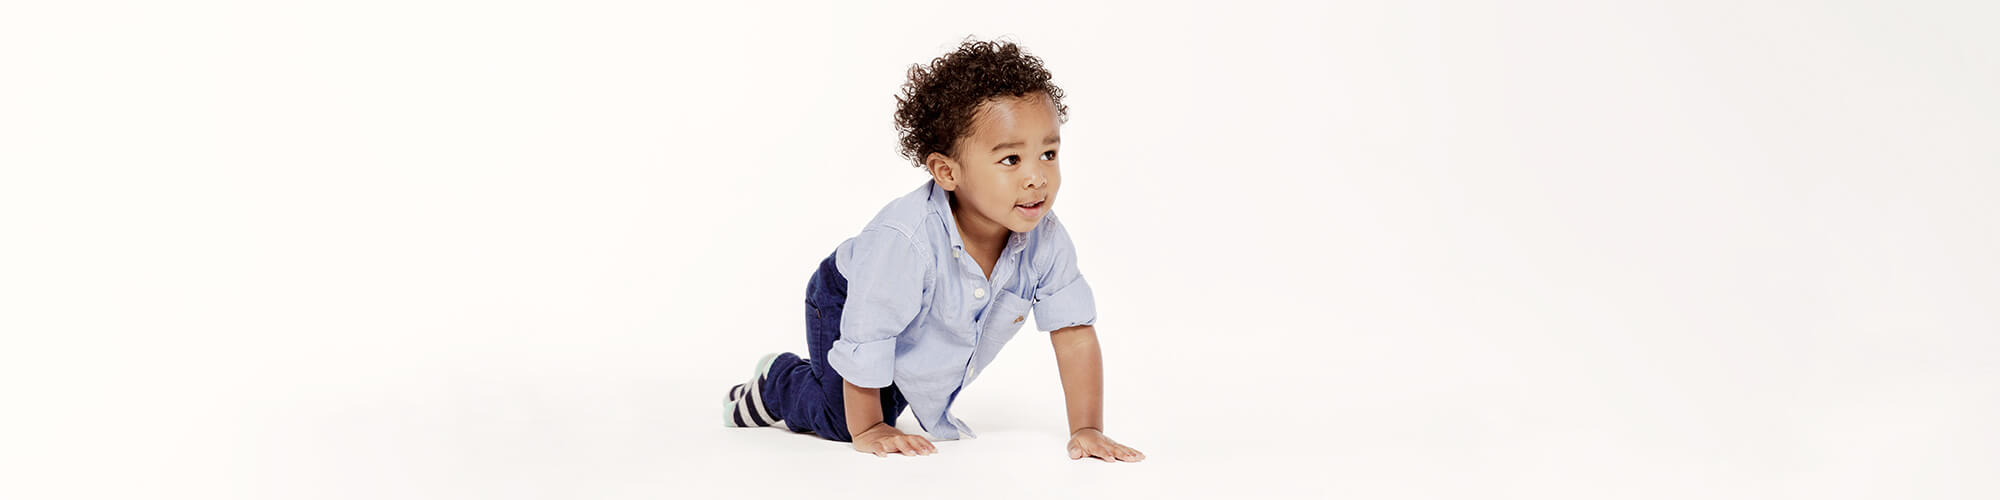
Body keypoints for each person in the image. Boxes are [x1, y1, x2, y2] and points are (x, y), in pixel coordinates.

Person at [723, 38, 1143, 462]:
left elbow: (1073, 333)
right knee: (843, 419)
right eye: (1011, 160)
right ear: (946, 171)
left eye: (1048, 153)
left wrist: (1087, 429)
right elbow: (869, 332)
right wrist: (869, 428)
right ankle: (777, 381)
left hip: (913, 318)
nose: (1037, 177)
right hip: (850, 296)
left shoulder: (1046, 239)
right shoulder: (906, 241)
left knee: (893, 391)